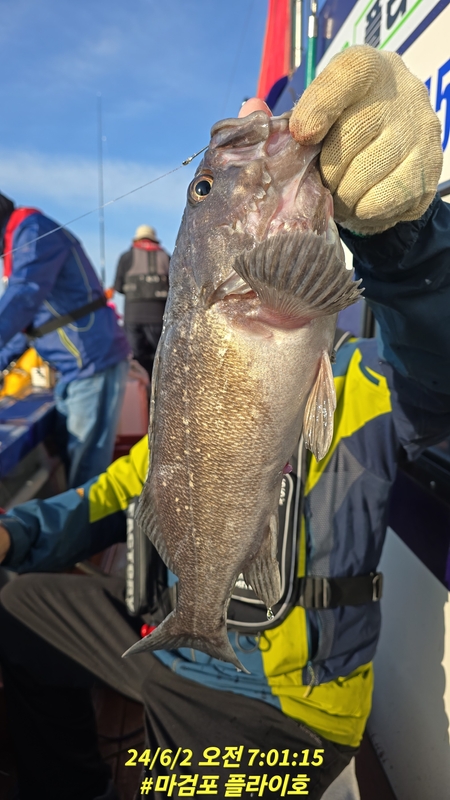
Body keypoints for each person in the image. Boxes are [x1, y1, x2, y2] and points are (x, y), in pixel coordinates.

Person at [0, 45, 449, 800]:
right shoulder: (189, 383)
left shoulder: (372, 378)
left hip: (282, 708)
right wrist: (18, 532)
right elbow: (113, 495)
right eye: (207, 187)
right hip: (175, 638)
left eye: (205, 187)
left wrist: (403, 245)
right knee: (16, 605)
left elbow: (438, 378)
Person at [0, 199, 131, 488]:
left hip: (93, 362)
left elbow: (24, 295)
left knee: (87, 465)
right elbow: (26, 323)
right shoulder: (21, 241)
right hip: (73, 369)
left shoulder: (32, 230)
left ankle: (95, 533)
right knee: (67, 449)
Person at [112, 224, 170, 379]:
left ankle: (142, 395)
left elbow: (118, 287)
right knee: (161, 360)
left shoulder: (126, 257)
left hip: (133, 318)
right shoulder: (166, 257)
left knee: (137, 361)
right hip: (159, 318)